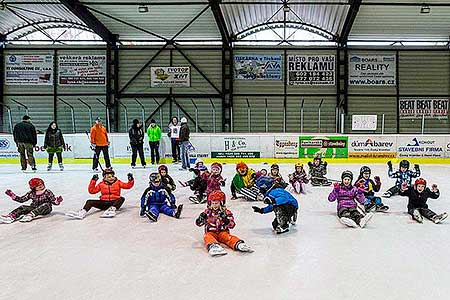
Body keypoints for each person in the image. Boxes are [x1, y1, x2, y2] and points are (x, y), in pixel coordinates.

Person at [195, 190, 253, 256]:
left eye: (216, 203)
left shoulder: (226, 212)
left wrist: (226, 220)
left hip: (222, 232)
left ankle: (238, 244)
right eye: (212, 203)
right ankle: (213, 246)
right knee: (207, 236)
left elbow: (232, 225)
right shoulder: (207, 213)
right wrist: (200, 220)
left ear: (221, 203)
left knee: (227, 237)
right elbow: (199, 224)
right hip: (211, 232)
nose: (214, 205)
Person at [65, 169, 134, 219]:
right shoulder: (101, 184)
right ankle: (82, 213)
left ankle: (111, 210)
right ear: (104, 178)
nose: (111, 178)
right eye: (109, 177)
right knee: (89, 201)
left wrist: (130, 180)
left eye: (112, 176)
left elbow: (128, 186)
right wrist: (93, 181)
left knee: (121, 198)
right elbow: (92, 191)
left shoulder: (118, 182)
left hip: (114, 203)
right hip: (103, 203)